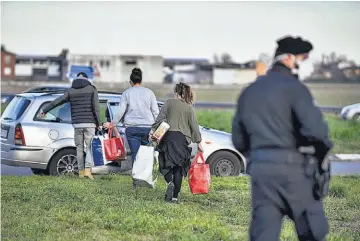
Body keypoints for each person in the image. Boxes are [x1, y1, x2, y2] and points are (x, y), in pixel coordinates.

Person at [232, 36, 333, 241]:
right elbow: (317, 133)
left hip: (261, 171)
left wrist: (259, 157)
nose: (300, 65)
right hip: (295, 170)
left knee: (264, 233)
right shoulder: (296, 89)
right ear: (289, 59)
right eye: (300, 59)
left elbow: (238, 139)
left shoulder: (249, 92)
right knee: (312, 231)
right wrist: (320, 156)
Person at [41, 72, 102, 179]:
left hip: (77, 124)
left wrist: (45, 110)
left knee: (79, 148)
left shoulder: (71, 90)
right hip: (89, 123)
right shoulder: (92, 89)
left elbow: (58, 101)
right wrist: (99, 124)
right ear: (87, 79)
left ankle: (80, 172)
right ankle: (88, 170)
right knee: (89, 148)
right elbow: (96, 108)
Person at [150, 82, 203, 203]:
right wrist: (199, 142)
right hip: (182, 141)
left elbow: (160, 119)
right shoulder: (189, 108)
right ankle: (174, 198)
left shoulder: (169, 102)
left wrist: (153, 131)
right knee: (179, 168)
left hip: (168, 137)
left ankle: (169, 183)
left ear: (177, 93)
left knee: (165, 164)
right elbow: (194, 127)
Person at [103, 68, 159, 169]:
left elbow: (121, 111)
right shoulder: (149, 93)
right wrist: (158, 129)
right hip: (148, 129)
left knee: (135, 155)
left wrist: (113, 123)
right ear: (141, 81)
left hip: (132, 129)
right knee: (147, 155)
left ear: (130, 82)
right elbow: (156, 112)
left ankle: (137, 179)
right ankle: (146, 178)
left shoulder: (126, 93)